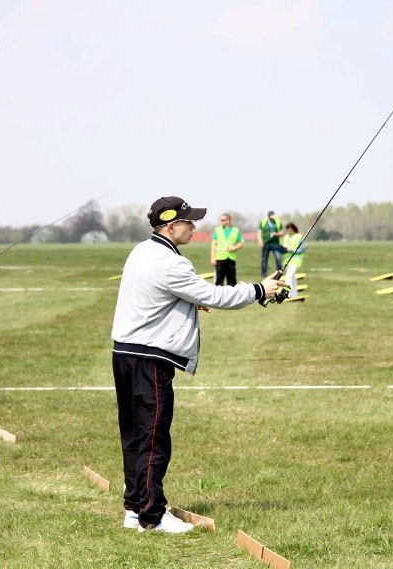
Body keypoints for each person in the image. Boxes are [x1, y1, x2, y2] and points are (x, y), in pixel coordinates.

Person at [111, 196, 284, 534]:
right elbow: (216, 296)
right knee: (153, 437)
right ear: (171, 226)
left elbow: (156, 296)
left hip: (125, 355)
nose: (194, 227)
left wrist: (189, 305)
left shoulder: (142, 251)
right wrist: (261, 289)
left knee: (134, 435)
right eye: (188, 222)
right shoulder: (173, 264)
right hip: (150, 359)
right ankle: (152, 516)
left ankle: (134, 508)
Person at [209, 213, 243, 286]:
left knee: (232, 282)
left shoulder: (236, 230)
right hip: (219, 258)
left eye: (223, 220)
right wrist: (212, 257)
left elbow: (240, 243)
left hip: (231, 259)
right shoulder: (217, 230)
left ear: (228, 220)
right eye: (221, 220)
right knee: (218, 281)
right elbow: (213, 245)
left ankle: (233, 296)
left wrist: (234, 248)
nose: (221, 222)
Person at [281, 222, 306, 298]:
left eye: (289, 228)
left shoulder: (299, 237)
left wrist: (292, 250)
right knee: (292, 278)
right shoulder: (285, 237)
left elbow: (302, 249)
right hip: (287, 260)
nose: (288, 230)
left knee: (288, 277)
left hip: (296, 260)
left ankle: (289, 294)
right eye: (287, 228)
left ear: (293, 229)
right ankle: (295, 295)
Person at [257, 210, 285, 277]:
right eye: (271, 217)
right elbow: (259, 232)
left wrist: (277, 234)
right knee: (264, 259)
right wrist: (260, 242)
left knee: (278, 258)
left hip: (275, 244)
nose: (272, 218)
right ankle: (264, 273)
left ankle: (279, 273)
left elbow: (282, 232)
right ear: (268, 216)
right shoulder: (264, 222)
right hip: (266, 243)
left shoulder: (277, 222)